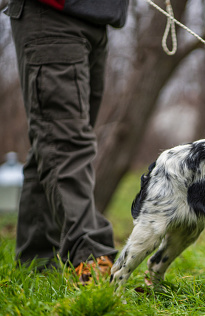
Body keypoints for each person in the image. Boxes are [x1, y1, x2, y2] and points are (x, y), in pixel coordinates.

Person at [4, 0, 129, 283]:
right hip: (52, 15)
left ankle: (36, 266)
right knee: (64, 142)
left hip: (96, 20)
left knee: (50, 144)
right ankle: (92, 256)